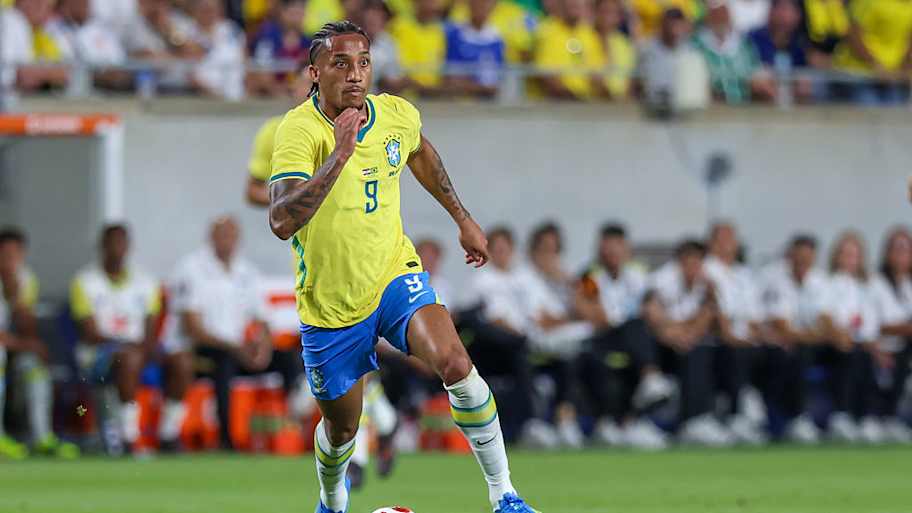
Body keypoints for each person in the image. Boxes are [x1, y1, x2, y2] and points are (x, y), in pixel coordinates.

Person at [267, 21, 538, 513]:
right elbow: (282, 220)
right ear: (314, 72)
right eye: (340, 64)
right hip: (331, 302)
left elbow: (421, 153)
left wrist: (463, 218)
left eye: (364, 63)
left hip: (393, 273)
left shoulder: (394, 114)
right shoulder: (298, 130)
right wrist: (340, 155)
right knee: (343, 427)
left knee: (456, 363)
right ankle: (331, 501)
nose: (355, 75)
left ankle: (506, 496)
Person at [160, 217, 272, 451]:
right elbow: (193, 329)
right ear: (211, 238)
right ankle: (225, 438)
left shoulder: (247, 271)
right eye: (223, 235)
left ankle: (295, 426)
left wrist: (263, 347)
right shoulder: (191, 268)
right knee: (224, 362)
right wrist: (236, 349)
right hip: (198, 347)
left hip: (237, 348)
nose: (228, 242)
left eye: (232, 236)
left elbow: (262, 318)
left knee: (288, 360)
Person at [575, 224, 672, 449]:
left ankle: (635, 419)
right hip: (604, 335)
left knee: (645, 331)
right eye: (607, 250)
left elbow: (653, 307)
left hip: (635, 336)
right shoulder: (590, 276)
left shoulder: (638, 273)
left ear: (625, 249)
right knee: (634, 327)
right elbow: (593, 312)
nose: (612, 255)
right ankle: (651, 377)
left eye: (616, 249)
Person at [462, 227, 558, 448]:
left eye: (505, 249)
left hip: (524, 341)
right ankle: (531, 422)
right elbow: (485, 318)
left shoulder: (524, 278)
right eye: (496, 250)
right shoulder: (481, 279)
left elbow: (540, 312)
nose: (501, 255)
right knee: (518, 350)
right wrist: (519, 336)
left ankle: (554, 422)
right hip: (490, 347)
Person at [70, 224, 160, 455]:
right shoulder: (84, 282)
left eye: (122, 242)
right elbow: (89, 333)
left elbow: (151, 329)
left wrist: (143, 347)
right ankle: (129, 437)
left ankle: (170, 434)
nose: (117, 249)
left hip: (138, 351)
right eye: (112, 243)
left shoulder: (147, 282)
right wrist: (129, 346)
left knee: (183, 362)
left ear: (129, 246)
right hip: (96, 356)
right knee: (128, 359)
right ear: (102, 246)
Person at [0, 229, 79, 460]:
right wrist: (25, 344)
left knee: (34, 365)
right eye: (5, 254)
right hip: (5, 349)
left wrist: (14, 297)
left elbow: (27, 329)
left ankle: (41, 437)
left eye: (16, 255)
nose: (10, 261)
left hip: (11, 347)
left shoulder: (25, 279)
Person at [762, 235, 849, 444]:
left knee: (849, 353)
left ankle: (843, 416)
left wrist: (837, 336)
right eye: (798, 258)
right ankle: (798, 418)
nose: (802, 263)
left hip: (812, 342)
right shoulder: (777, 281)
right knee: (800, 353)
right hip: (789, 347)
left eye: (807, 259)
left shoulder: (819, 281)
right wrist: (818, 335)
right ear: (790, 257)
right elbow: (783, 328)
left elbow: (825, 317)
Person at [649, 240, 734, 446]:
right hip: (661, 344)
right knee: (693, 350)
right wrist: (676, 334)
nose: (693, 268)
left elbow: (708, 318)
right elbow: (653, 317)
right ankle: (689, 420)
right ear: (679, 262)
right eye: (688, 262)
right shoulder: (661, 280)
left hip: (688, 342)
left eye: (698, 262)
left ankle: (698, 419)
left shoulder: (707, 285)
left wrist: (689, 335)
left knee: (703, 349)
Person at [702, 222, 768, 445]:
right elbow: (716, 313)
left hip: (748, 339)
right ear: (711, 243)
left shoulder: (745, 274)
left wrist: (759, 334)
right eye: (721, 239)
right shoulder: (706, 269)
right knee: (735, 351)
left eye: (731, 238)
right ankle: (737, 414)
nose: (727, 244)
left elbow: (756, 317)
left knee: (781, 353)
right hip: (719, 340)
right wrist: (731, 333)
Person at [824, 231, 881, 443]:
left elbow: (870, 320)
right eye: (845, 254)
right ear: (836, 256)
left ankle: (867, 417)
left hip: (861, 343)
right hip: (835, 343)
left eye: (854, 255)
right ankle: (842, 415)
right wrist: (843, 334)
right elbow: (827, 316)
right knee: (849, 355)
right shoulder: (828, 283)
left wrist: (867, 340)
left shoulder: (866, 286)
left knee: (866, 356)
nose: (849, 260)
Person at [246, 67, 314, 207]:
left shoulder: (345, 127)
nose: (314, 90)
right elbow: (253, 190)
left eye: (320, 84)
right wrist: (293, 200)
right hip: (294, 227)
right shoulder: (273, 130)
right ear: (294, 85)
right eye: (308, 83)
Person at [869, 228, 912, 443]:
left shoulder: (908, 285)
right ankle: (887, 418)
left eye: (906, 250)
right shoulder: (876, 283)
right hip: (883, 346)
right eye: (898, 250)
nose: (902, 256)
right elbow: (878, 324)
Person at [833, 0, 912, 106]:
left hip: (893, 80)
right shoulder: (869, 2)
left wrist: (904, 67)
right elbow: (853, 34)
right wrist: (876, 66)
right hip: (860, 76)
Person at [692, 0, 773, 104]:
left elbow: (757, 72)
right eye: (715, 13)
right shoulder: (695, 44)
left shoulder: (745, 45)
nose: (719, 17)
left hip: (745, 109)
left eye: (723, 12)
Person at [636, 7, 709, 113]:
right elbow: (638, 84)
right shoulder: (646, 50)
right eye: (670, 24)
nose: (674, 28)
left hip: (683, 113)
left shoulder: (691, 53)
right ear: (662, 24)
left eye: (677, 24)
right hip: (653, 110)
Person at [48, 0, 132, 90]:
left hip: (109, 92)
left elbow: (120, 62)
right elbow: (61, 68)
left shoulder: (101, 28)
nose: (81, 4)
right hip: (67, 95)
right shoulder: (52, 30)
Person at [533, 0, 605, 100]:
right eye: (571, 4)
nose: (575, 7)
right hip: (556, 104)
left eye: (578, 4)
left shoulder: (589, 34)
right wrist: (571, 97)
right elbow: (546, 74)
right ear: (561, 4)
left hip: (587, 103)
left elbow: (597, 73)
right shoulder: (546, 31)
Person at [748, 0, 812, 102]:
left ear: (798, 16)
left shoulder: (800, 42)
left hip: (791, 97)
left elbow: (802, 73)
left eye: (790, 11)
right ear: (771, 11)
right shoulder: (754, 38)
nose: (785, 16)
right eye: (782, 9)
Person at [443, 0, 506, 98]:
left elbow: (504, 75)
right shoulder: (456, 35)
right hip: (462, 104)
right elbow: (451, 77)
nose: (481, 8)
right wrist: (481, 89)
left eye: (485, 3)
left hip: (493, 104)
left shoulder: (498, 38)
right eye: (477, 3)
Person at [247, 0, 311, 97]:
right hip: (270, 98)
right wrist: (282, 92)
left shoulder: (309, 43)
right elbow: (260, 73)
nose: (296, 19)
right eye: (293, 13)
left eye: (300, 13)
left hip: (298, 98)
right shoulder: (267, 38)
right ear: (283, 13)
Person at [189, 0, 245, 100]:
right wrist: (213, 94)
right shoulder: (188, 32)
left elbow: (244, 58)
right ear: (196, 10)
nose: (208, 13)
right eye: (204, 9)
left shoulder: (232, 30)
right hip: (202, 97)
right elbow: (189, 73)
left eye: (212, 9)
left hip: (235, 96)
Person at [389, 0, 447, 95]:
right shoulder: (398, 27)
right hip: (405, 96)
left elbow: (440, 66)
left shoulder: (439, 32)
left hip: (432, 97)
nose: (434, 6)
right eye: (430, 2)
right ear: (416, 3)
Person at [361, 0, 407, 94]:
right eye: (371, 13)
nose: (374, 17)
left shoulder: (388, 43)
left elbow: (392, 79)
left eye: (379, 15)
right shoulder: (349, 40)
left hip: (376, 100)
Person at [593, 0, 636, 100]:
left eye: (612, 12)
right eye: (603, 11)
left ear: (619, 17)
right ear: (595, 13)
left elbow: (630, 80)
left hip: (619, 105)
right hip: (593, 104)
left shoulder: (624, 44)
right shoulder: (586, 38)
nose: (606, 17)